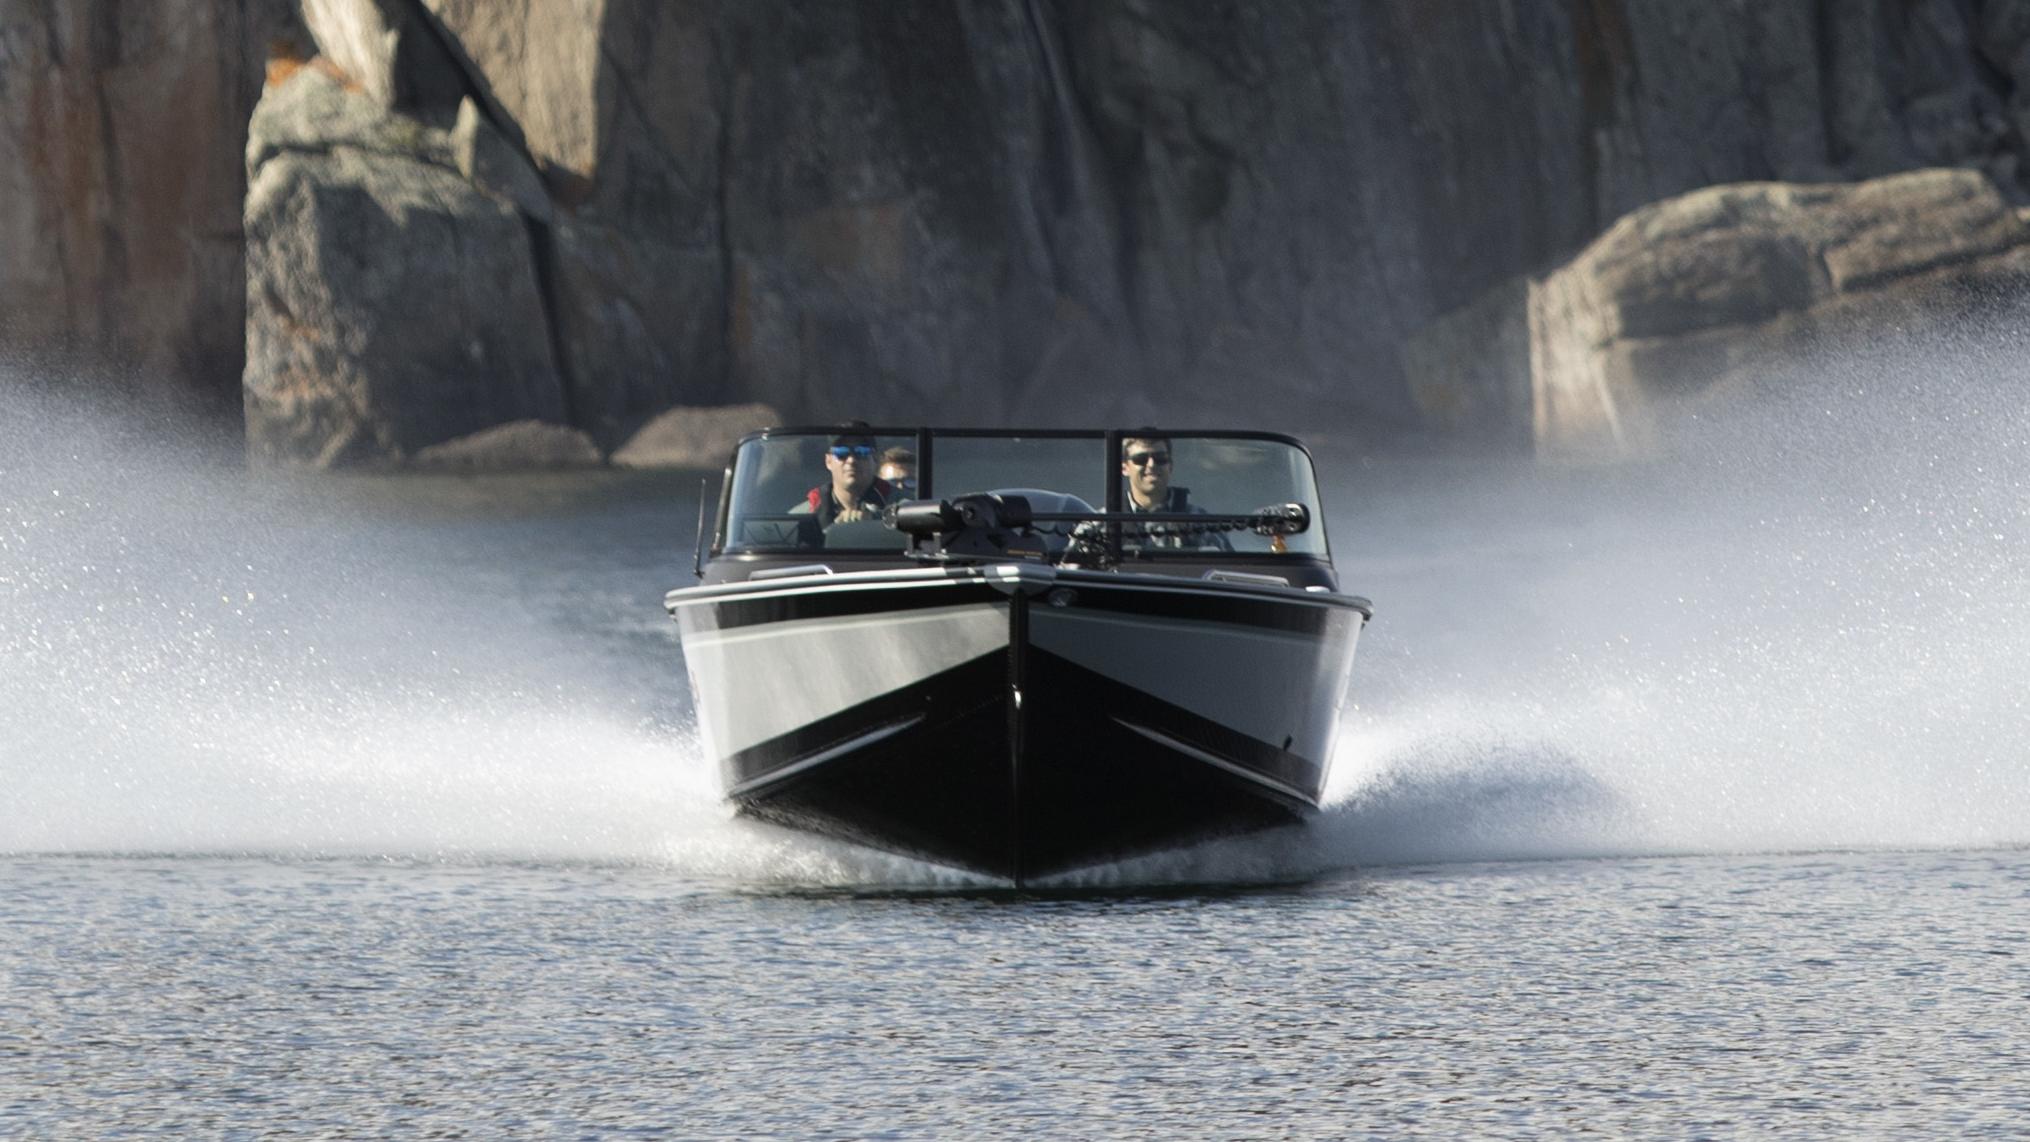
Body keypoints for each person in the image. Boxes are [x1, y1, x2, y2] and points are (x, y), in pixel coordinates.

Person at [1120, 433, 1231, 551]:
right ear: (1125, 468)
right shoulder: (1109, 522)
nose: (1151, 465)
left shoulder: (1199, 522)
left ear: (1170, 467)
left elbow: (1226, 561)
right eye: (1141, 459)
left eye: (1160, 459)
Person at [790, 426, 894, 534]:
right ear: (828, 461)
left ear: (876, 459)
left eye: (861, 452)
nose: (851, 460)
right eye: (841, 453)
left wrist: (876, 525)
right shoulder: (801, 517)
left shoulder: (902, 507)